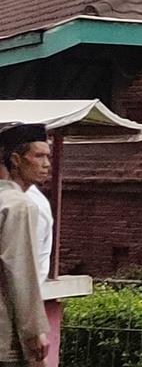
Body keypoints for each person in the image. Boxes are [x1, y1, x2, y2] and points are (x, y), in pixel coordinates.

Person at [0, 123, 48, 367]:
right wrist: (34, 331)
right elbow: (20, 270)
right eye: (38, 155)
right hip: (6, 335)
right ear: (16, 160)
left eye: (48, 156)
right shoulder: (18, 205)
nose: (46, 164)